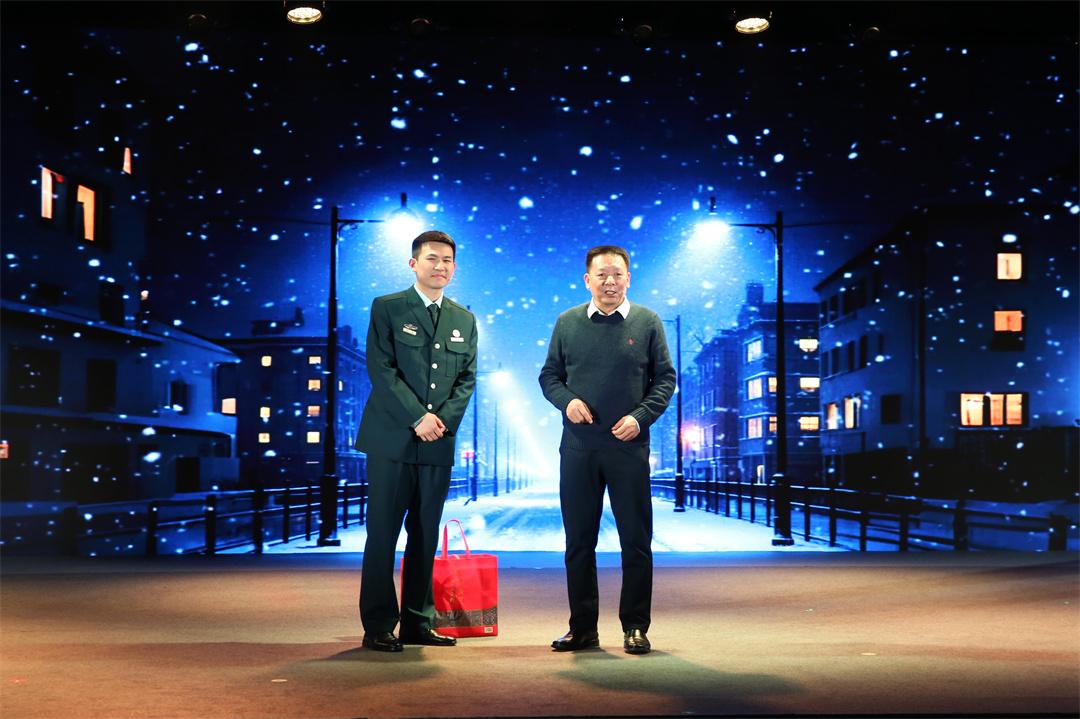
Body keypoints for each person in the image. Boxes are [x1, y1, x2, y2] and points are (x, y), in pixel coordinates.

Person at [538, 245, 676, 655]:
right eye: (602, 275)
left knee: (636, 541)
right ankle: (582, 629)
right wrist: (567, 401)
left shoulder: (647, 322)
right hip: (578, 449)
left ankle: (635, 627)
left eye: (617, 274)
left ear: (628, 278)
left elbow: (665, 379)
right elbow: (549, 376)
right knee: (579, 542)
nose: (610, 282)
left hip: (628, 448)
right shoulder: (568, 322)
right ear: (588, 280)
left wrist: (641, 417)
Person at [356, 230, 477, 652]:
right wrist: (417, 417)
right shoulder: (388, 307)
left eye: (447, 260)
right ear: (414, 264)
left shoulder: (464, 319)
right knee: (383, 534)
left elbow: (466, 380)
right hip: (391, 440)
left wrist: (440, 422)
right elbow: (381, 369)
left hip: (436, 443)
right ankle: (378, 624)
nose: (440, 266)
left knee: (425, 535)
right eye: (431, 259)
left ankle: (418, 622)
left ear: (454, 268)